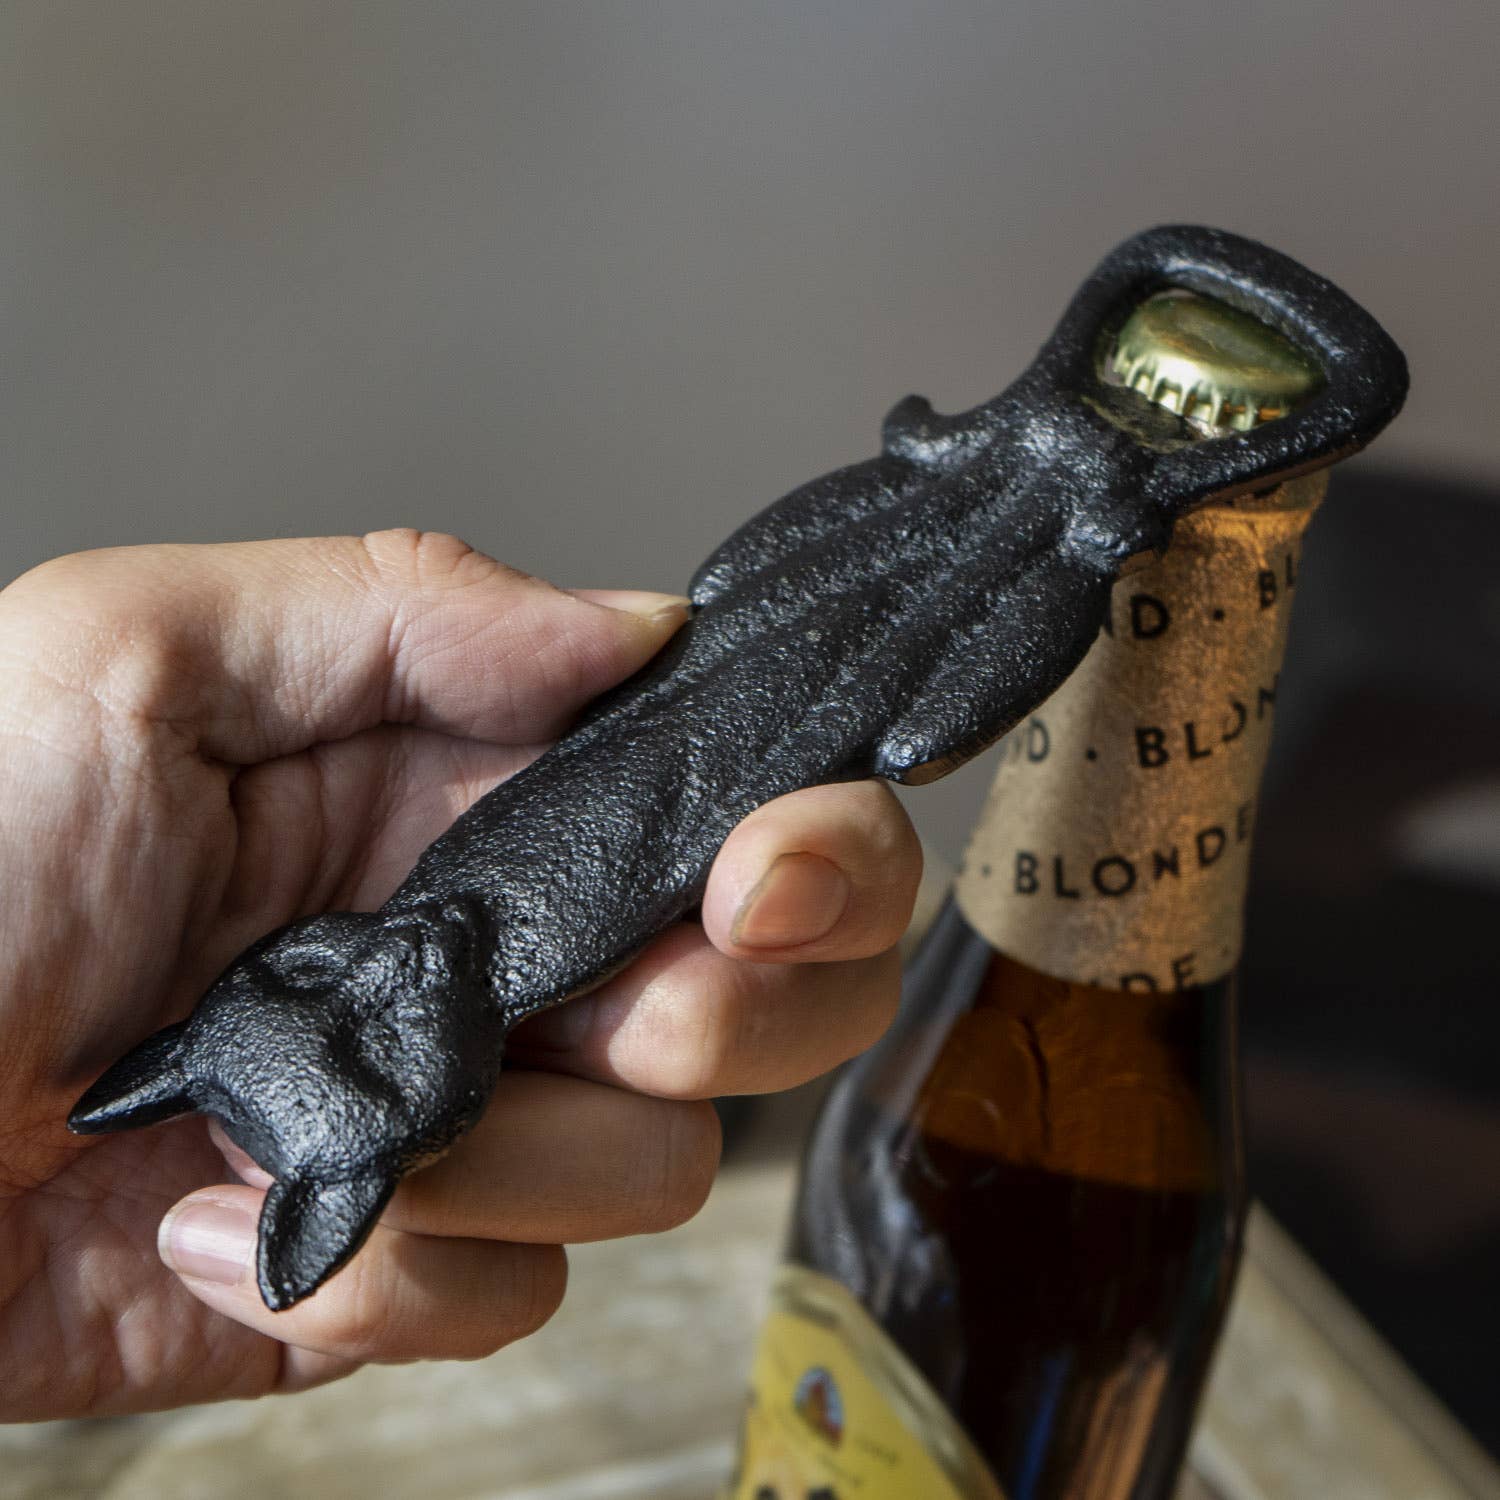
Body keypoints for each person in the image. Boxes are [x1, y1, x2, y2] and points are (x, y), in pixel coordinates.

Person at [0, 530, 921, 1421]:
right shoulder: (512, 964)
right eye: (389, 1044)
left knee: (779, 605)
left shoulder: (426, 891)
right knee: (897, 689)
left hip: (706, 682)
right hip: (775, 744)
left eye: (308, 971)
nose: (386, 968)